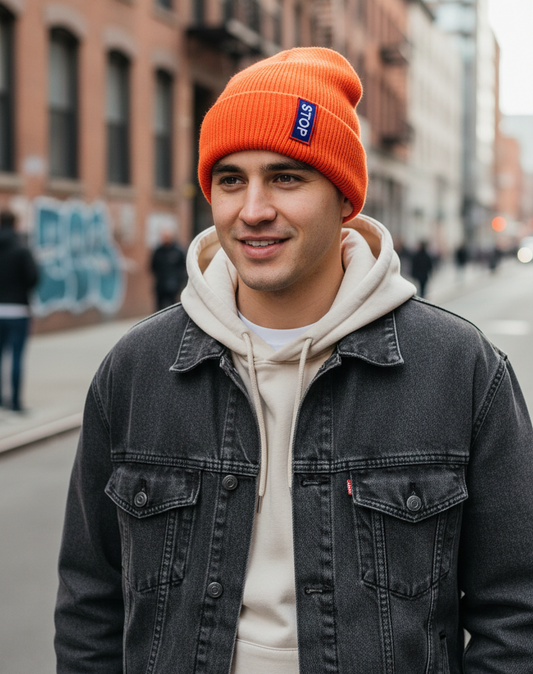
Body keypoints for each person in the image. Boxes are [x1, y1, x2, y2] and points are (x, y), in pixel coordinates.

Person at [55, 48, 533, 673]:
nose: (253, 209)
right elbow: (89, 604)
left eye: (286, 177)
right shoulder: (137, 369)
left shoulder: (460, 369)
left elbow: (515, 610)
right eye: (231, 179)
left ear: (344, 201)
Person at [0, 209, 39, 411]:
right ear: (15, 224)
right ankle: (15, 402)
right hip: (18, 310)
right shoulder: (22, 249)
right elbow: (33, 278)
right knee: (16, 357)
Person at [150, 228, 187, 311]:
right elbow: (153, 266)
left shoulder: (178, 251)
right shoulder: (158, 251)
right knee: (158, 308)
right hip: (160, 284)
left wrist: (179, 281)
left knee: (172, 307)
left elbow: (183, 267)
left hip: (174, 284)